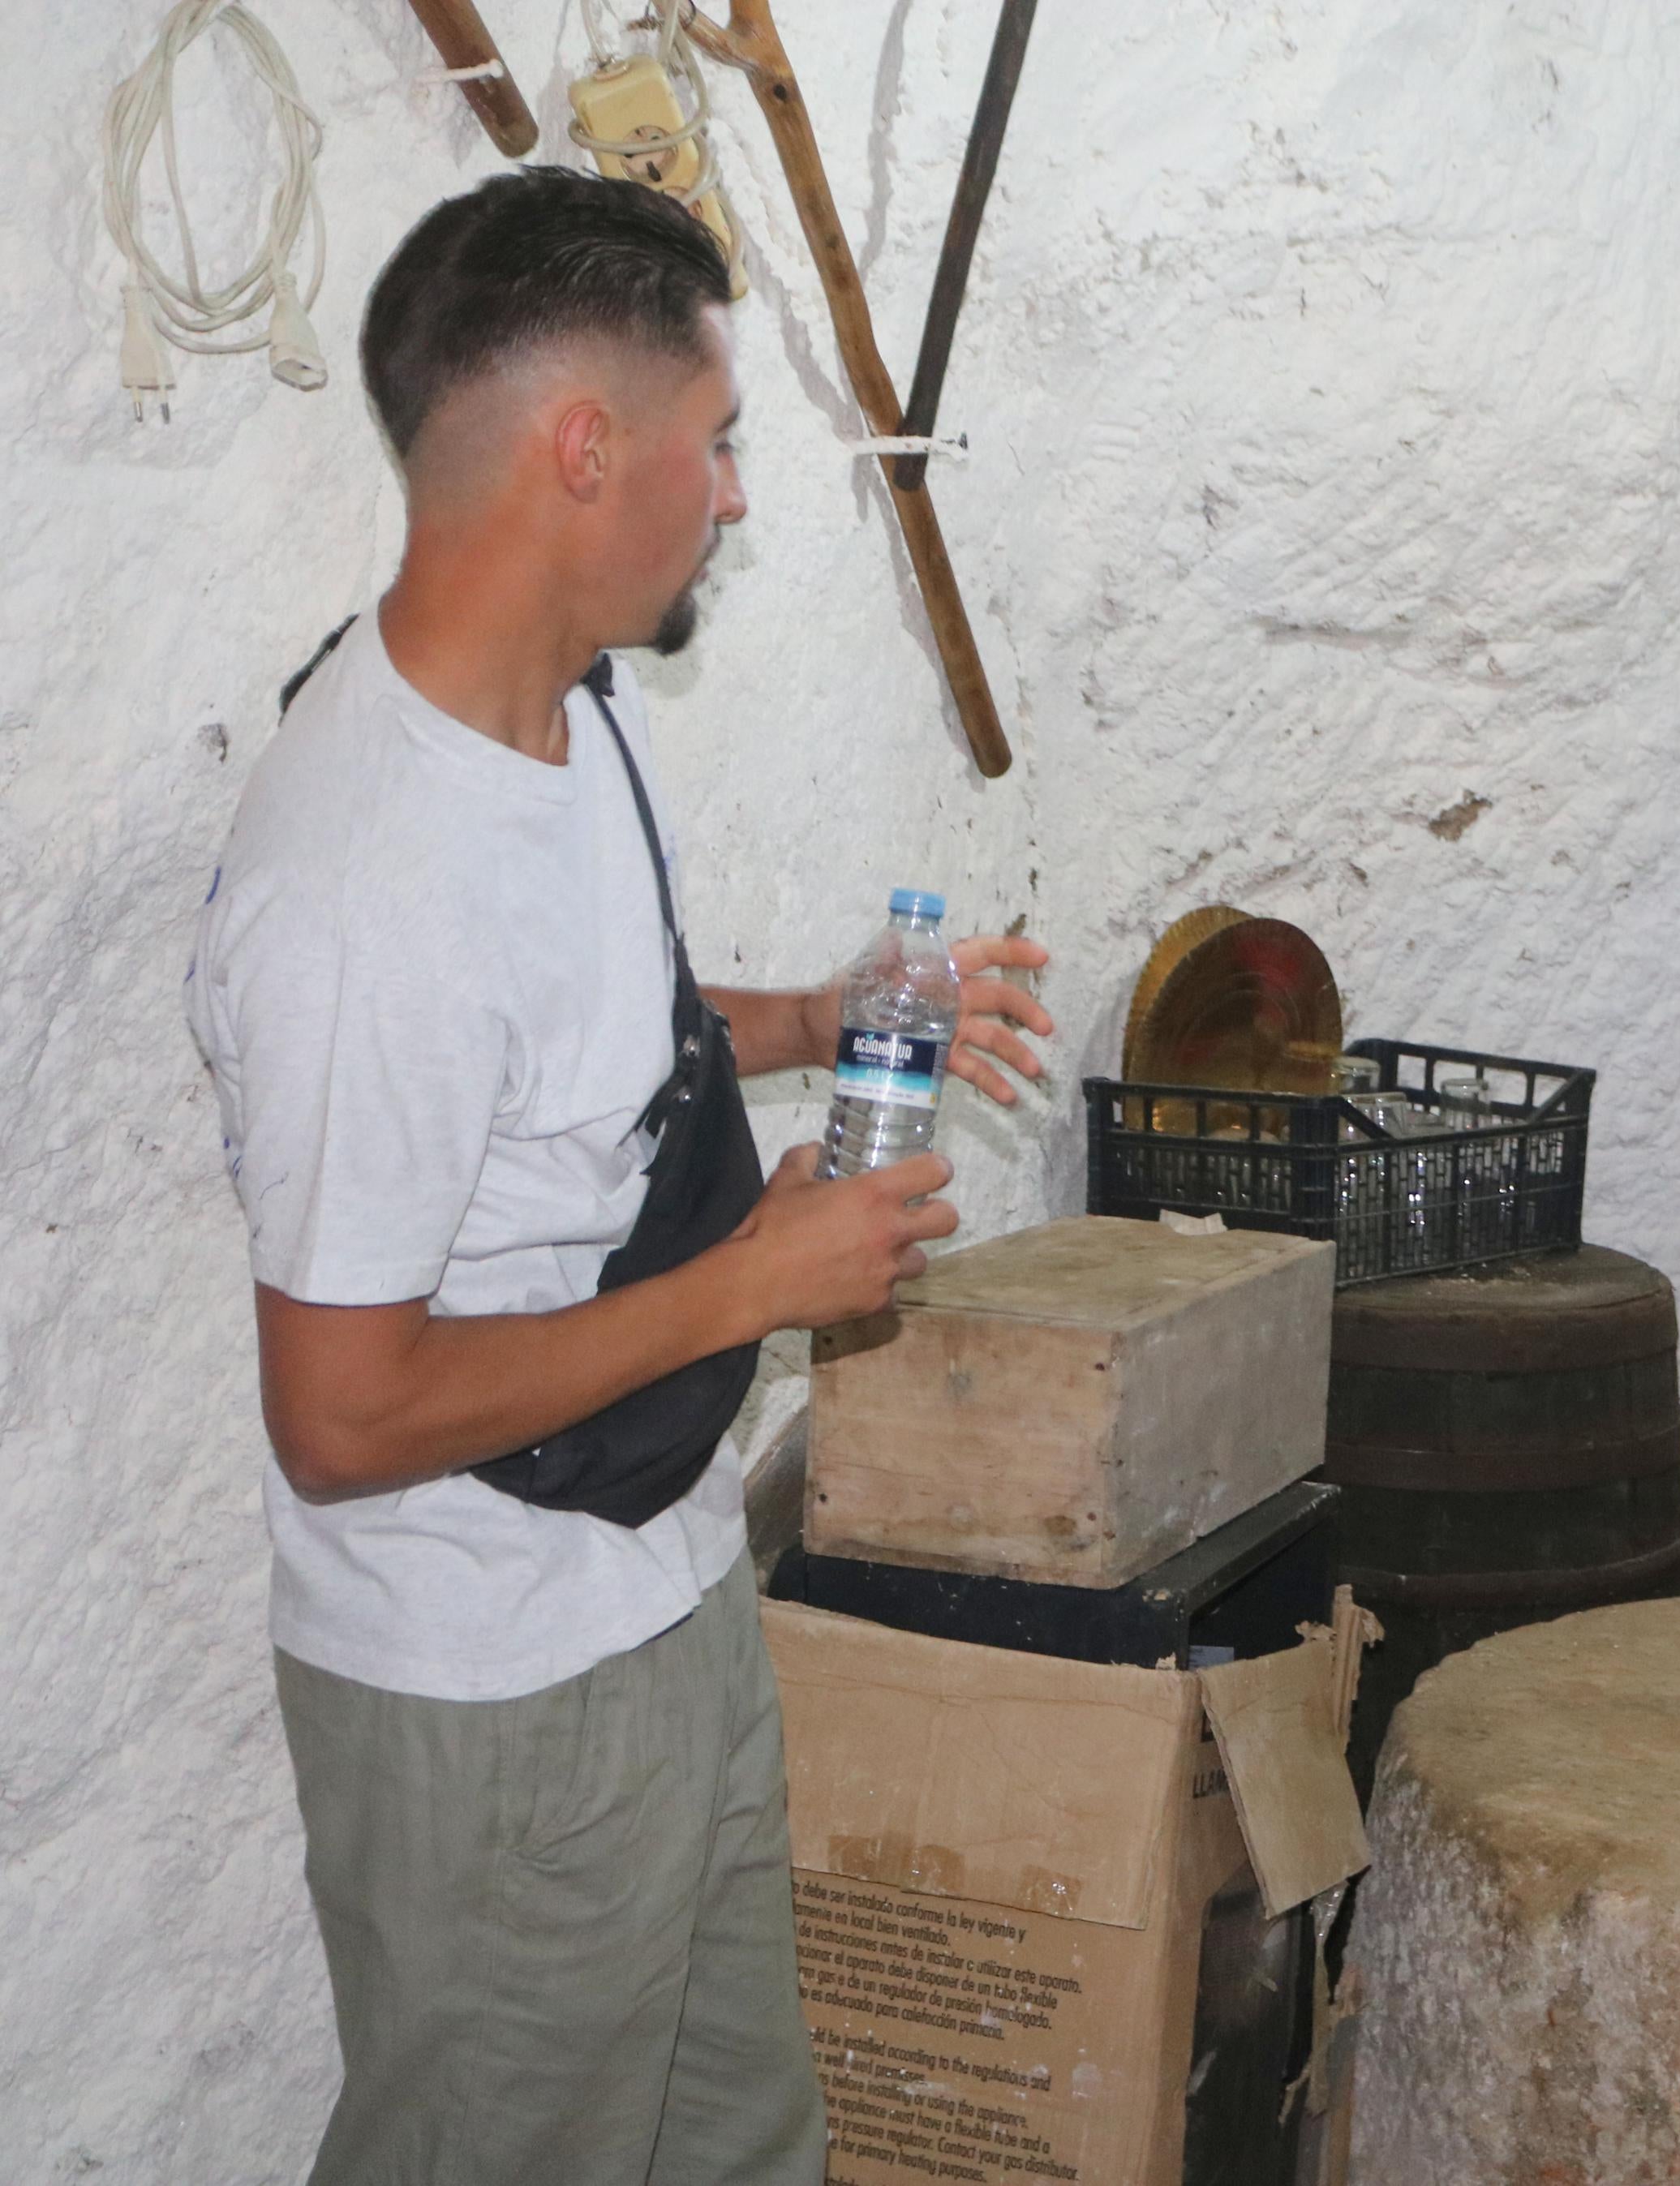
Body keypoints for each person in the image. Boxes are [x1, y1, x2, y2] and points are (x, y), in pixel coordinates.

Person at [183, 170, 1059, 2183]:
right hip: (489, 1702)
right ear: (590, 450)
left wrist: (821, 1017)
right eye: (719, 440)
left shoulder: (560, 708)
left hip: (653, 1599)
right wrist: (757, 1282)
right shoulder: (364, 891)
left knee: (739, 2146)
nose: (735, 495)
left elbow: (602, 1051)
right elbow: (340, 1414)